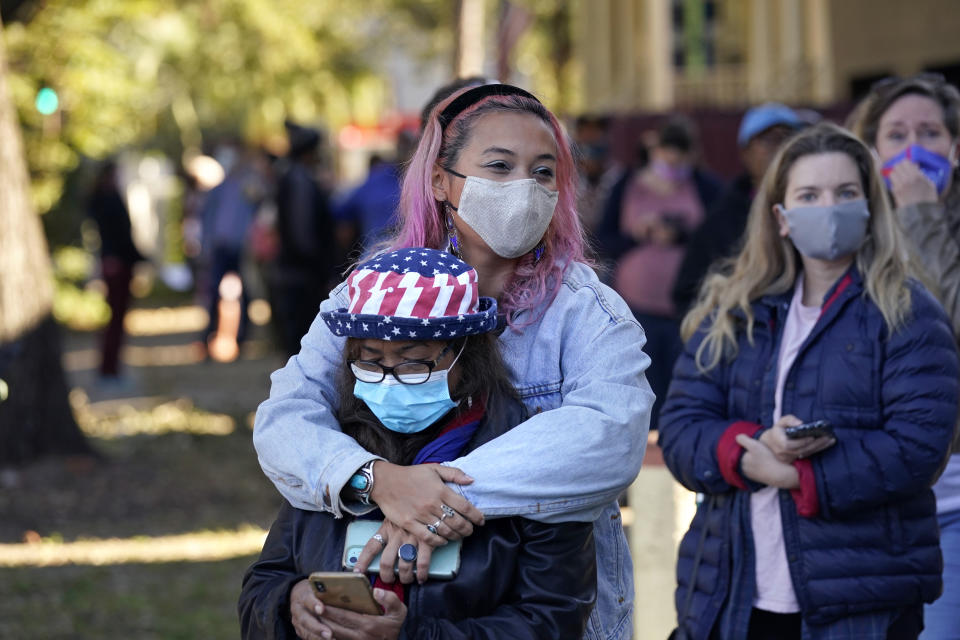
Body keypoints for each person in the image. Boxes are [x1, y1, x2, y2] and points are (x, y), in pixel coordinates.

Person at [253, 83, 654, 640]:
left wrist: (429, 497)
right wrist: (374, 480)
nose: (524, 188)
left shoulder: (587, 310)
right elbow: (285, 418)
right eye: (498, 165)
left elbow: (611, 436)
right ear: (440, 180)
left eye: (543, 172)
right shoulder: (369, 290)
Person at [658, 123, 959, 640]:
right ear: (781, 217)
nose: (828, 208)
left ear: (870, 208)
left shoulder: (909, 313)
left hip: (861, 605)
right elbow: (683, 428)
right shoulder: (732, 311)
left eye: (845, 194)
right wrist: (749, 452)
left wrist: (802, 477)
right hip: (730, 597)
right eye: (809, 195)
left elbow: (918, 448)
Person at [239, 248, 596, 639]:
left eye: (413, 362)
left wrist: (411, 635)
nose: (389, 379)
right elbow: (264, 581)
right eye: (370, 361)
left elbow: (554, 619)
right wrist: (290, 603)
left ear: (467, 354)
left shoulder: (533, 457)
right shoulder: (332, 446)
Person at [849, 73, 960, 640]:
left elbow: (948, 330)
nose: (914, 149)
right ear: (872, 151)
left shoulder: (940, 222)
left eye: (930, 132)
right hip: (867, 496)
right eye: (896, 134)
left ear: (955, 148)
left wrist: (921, 215)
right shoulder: (847, 234)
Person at [597, 116, 722, 427]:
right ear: (655, 149)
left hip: (690, 309)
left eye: (680, 156)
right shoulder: (628, 183)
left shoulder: (705, 186)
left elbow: (720, 239)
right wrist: (638, 234)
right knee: (642, 389)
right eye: (667, 153)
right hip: (635, 310)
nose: (672, 162)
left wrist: (680, 235)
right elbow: (602, 240)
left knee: (685, 390)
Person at [672, 103, 805, 316]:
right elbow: (688, 295)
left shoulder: (812, 209)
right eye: (768, 139)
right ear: (745, 152)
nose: (779, 147)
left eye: (788, 137)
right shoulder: (721, 218)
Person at [273, 121, 337, 356]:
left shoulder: (293, 177)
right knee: (302, 339)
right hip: (303, 275)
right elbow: (303, 235)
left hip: (297, 272)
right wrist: (321, 268)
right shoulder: (300, 181)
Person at [87, 160, 145, 382]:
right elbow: (114, 235)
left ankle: (111, 367)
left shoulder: (108, 197)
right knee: (115, 318)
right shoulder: (105, 199)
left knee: (118, 318)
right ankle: (108, 369)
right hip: (116, 264)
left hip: (120, 262)